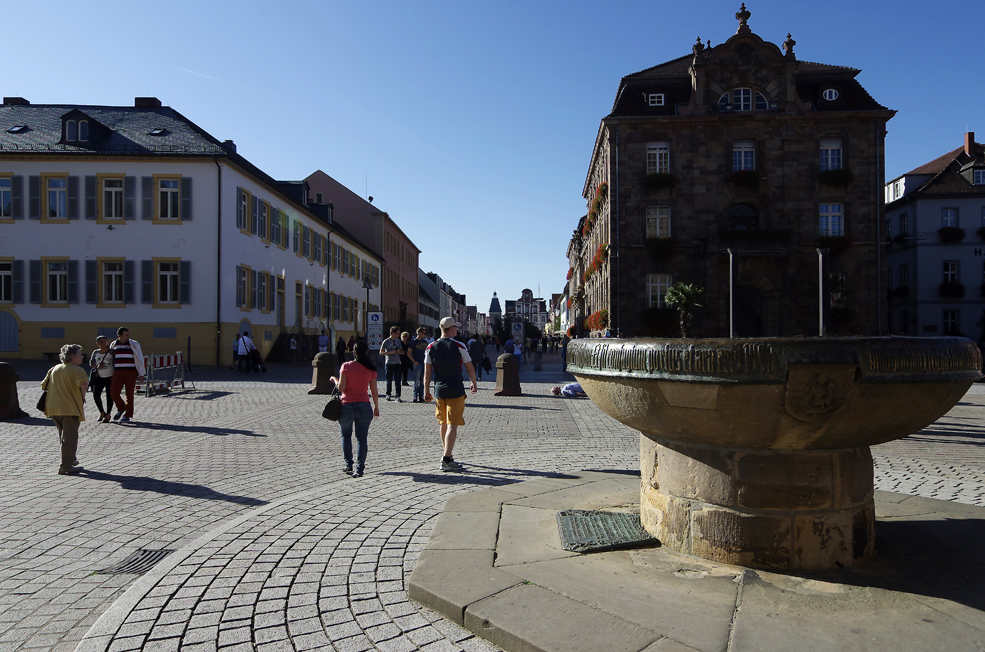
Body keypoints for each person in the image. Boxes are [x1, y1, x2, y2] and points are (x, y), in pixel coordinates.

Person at [424, 317, 478, 472]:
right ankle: (446, 459)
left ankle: (447, 453)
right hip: (455, 389)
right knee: (452, 424)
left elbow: (427, 372)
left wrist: (426, 390)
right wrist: (474, 383)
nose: (457, 329)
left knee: (443, 423)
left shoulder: (430, 347)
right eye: (456, 327)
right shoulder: (459, 345)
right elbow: (470, 367)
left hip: (439, 390)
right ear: (450, 328)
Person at [329, 340, 380, 478]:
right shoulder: (371, 369)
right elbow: (374, 391)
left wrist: (335, 379)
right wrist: (376, 407)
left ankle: (348, 464)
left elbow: (342, 388)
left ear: (355, 352)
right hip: (364, 405)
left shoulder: (346, 366)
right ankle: (360, 468)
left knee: (346, 435)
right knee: (361, 439)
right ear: (366, 352)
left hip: (346, 405)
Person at [42, 344, 89, 475]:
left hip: (53, 407)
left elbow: (44, 385)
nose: (82, 357)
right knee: (70, 437)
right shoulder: (77, 370)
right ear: (73, 358)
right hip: (69, 407)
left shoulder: (54, 368)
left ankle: (71, 458)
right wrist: (82, 396)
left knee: (63, 435)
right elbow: (84, 383)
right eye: (80, 354)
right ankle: (66, 466)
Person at [110, 327, 145, 423]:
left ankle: (127, 415)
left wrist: (141, 373)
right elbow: (111, 358)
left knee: (129, 394)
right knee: (113, 392)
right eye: (126, 335)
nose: (128, 337)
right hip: (117, 372)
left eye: (129, 334)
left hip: (131, 372)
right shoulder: (114, 344)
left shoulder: (134, 344)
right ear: (119, 336)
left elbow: (140, 358)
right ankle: (121, 408)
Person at [89, 336, 115, 423]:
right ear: (97, 343)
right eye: (101, 342)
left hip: (110, 377)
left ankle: (108, 414)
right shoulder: (96, 352)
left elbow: (115, 362)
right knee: (96, 395)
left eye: (105, 341)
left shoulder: (111, 352)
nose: (103, 343)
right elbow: (91, 363)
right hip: (99, 377)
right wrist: (96, 366)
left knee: (109, 396)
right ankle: (101, 412)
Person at [380, 326, 404, 402]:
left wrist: (400, 352)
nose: (398, 335)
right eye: (397, 333)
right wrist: (390, 352)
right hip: (389, 363)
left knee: (398, 380)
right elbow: (381, 352)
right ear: (393, 333)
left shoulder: (398, 341)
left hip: (397, 363)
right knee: (389, 380)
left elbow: (400, 350)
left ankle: (398, 395)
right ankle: (388, 394)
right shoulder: (386, 341)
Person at [410, 327, 429, 402]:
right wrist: (414, 361)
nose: (425, 335)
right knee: (416, 381)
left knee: (422, 381)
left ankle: (421, 396)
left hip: (424, 363)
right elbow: (409, 352)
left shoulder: (425, 342)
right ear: (419, 333)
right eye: (424, 333)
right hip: (417, 364)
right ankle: (415, 396)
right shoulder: (413, 342)